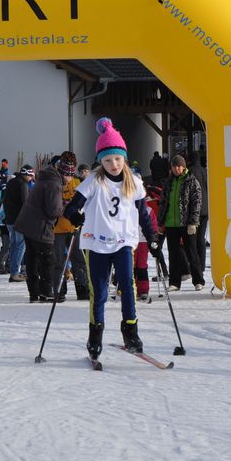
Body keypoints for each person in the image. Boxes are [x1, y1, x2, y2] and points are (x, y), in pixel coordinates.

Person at [64, 118, 157, 358]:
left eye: (117, 159)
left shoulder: (134, 182)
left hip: (123, 242)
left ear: (124, 157)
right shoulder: (94, 181)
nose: (113, 164)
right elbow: (71, 208)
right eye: (107, 160)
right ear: (100, 161)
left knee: (127, 284)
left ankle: (131, 332)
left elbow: (143, 215)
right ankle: (95, 336)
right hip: (96, 243)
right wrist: (75, 217)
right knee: (99, 292)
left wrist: (152, 238)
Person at [15, 155, 67, 303]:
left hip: (28, 224)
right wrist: (66, 208)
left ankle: (34, 292)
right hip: (40, 227)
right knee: (48, 260)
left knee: (32, 259)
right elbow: (53, 210)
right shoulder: (54, 183)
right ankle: (46, 292)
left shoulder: (44, 178)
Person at [158, 154, 203, 291]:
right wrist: (160, 222)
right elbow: (163, 203)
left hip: (186, 223)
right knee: (173, 254)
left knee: (191, 252)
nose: (176, 169)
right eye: (174, 166)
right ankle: (174, 282)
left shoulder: (191, 181)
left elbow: (196, 203)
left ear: (184, 167)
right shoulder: (168, 182)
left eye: (179, 166)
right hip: (171, 224)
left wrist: (193, 222)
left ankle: (198, 280)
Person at [51, 151, 87, 300]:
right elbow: (54, 204)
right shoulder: (55, 182)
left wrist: (80, 212)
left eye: (71, 173)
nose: (69, 177)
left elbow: (83, 201)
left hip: (74, 228)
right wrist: (68, 206)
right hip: (57, 229)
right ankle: (59, 290)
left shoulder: (77, 183)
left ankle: (83, 288)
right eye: (67, 173)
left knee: (79, 260)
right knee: (58, 261)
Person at [2, 164, 33, 282]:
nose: (31, 178)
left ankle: (13, 271)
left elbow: (4, 200)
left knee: (14, 245)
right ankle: (14, 273)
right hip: (19, 221)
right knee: (20, 246)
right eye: (30, 175)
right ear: (26, 174)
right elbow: (26, 204)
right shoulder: (23, 185)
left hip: (10, 220)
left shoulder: (11, 182)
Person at [188, 151, 210, 278]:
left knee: (192, 240)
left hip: (193, 209)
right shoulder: (205, 172)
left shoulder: (189, 172)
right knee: (201, 239)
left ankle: (194, 265)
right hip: (205, 210)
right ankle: (202, 265)